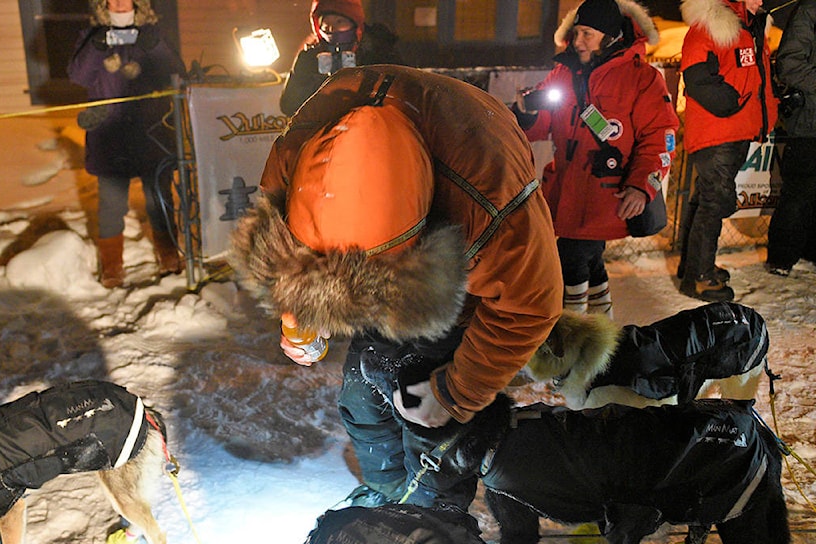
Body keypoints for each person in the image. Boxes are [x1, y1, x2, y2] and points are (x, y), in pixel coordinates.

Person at [230, 65, 563, 512]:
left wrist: (455, 392)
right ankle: (390, 494)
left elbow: (528, 308)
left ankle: (435, 519)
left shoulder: (491, 206)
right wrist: (300, 322)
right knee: (360, 396)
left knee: (430, 420)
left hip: (460, 242)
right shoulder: (296, 154)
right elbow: (283, 261)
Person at [512, 0, 679, 317]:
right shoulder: (563, 72)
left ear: (612, 36)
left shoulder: (642, 78)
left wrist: (641, 187)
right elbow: (538, 127)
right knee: (589, 260)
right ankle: (600, 331)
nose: (577, 42)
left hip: (604, 197)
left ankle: (572, 336)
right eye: (576, 33)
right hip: (564, 191)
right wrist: (525, 112)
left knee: (570, 259)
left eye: (587, 34)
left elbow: (660, 138)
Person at [68, 0, 184, 288]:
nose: (119, 3)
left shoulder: (153, 33)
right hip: (110, 137)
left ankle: (168, 254)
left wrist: (154, 45)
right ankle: (112, 266)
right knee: (110, 204)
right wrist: (96, 46)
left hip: (151, 133)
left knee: (159, 200)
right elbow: (79, 76)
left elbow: (176, 73)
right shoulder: (91, 36)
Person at [677, 0, 777, 301]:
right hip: (717, 130)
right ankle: (700, 278)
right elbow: (696, 78)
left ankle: (694, 266)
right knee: (714, 202)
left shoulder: (751, 26)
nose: (762, 0)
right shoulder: (710, 22)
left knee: (704, 199)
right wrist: (733, 103)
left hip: (735, 129)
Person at [279, 0, 405, 117]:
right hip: (324, 132)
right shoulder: (308, 59)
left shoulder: (379, 52)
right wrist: (320, 84)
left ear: (355, 24)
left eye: (340, 22)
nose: (332, 29)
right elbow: (289, 105)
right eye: (327, 23)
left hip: (369, 128)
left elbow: (403, 94)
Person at [767, 0, 816, 277]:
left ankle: (810, 250)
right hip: (809, 121)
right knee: (799, 192)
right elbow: (789, 64)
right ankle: (782, 258)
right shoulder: (809, 10)